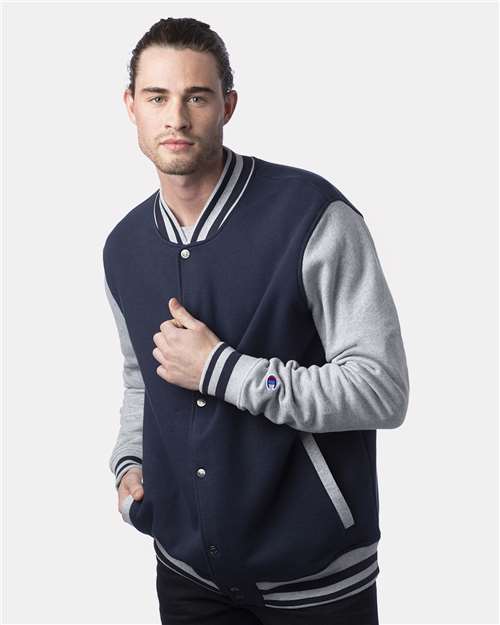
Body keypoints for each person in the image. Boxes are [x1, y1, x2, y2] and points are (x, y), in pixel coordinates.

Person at [103, 16, 410, 625]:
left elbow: (382, 389)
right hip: (187, 577)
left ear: (228, 105)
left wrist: (221, 370)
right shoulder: (124, 247)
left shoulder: (310, 215)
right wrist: (130, 463)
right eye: (157, 97)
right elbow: (141, 378)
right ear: (131, 106)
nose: (176, 118)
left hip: (316, 581)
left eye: (197, 97)